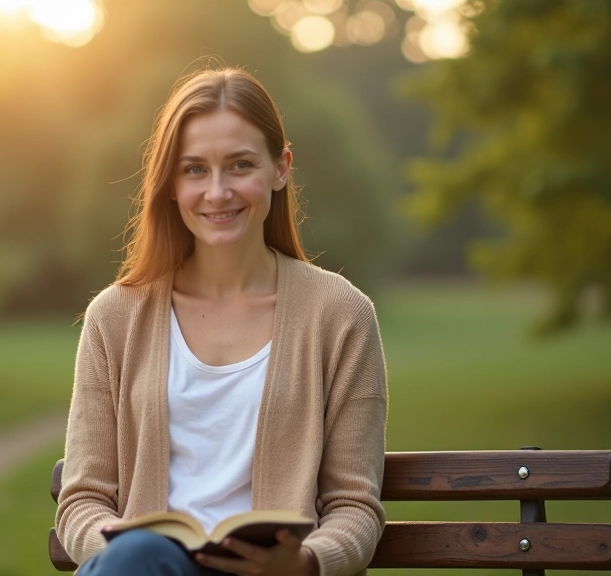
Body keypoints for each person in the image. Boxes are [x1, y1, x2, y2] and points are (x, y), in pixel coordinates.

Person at [55, 67, 388, 576]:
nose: (216, 192)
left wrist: (304, 563)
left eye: (239, 165)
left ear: (281, 168)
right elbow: (81, 500)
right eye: (194, 170)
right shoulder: (115, 318)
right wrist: (125, 559)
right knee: (143, 555)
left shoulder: (341, 315)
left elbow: (355, 506)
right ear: (169, 182)